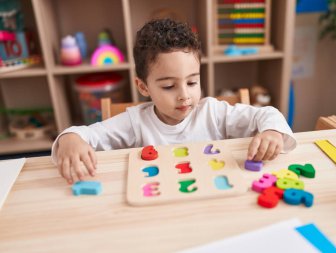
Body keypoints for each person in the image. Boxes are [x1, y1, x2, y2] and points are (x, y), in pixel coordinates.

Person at [52, 19, 296, 184]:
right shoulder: (136, 122)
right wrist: (69, 138)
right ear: (143, 87)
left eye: (192, 82)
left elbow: (267, 114)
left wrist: (272, 132)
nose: (184, 95)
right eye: (169, 86)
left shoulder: (212, 112)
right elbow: (85, 135)